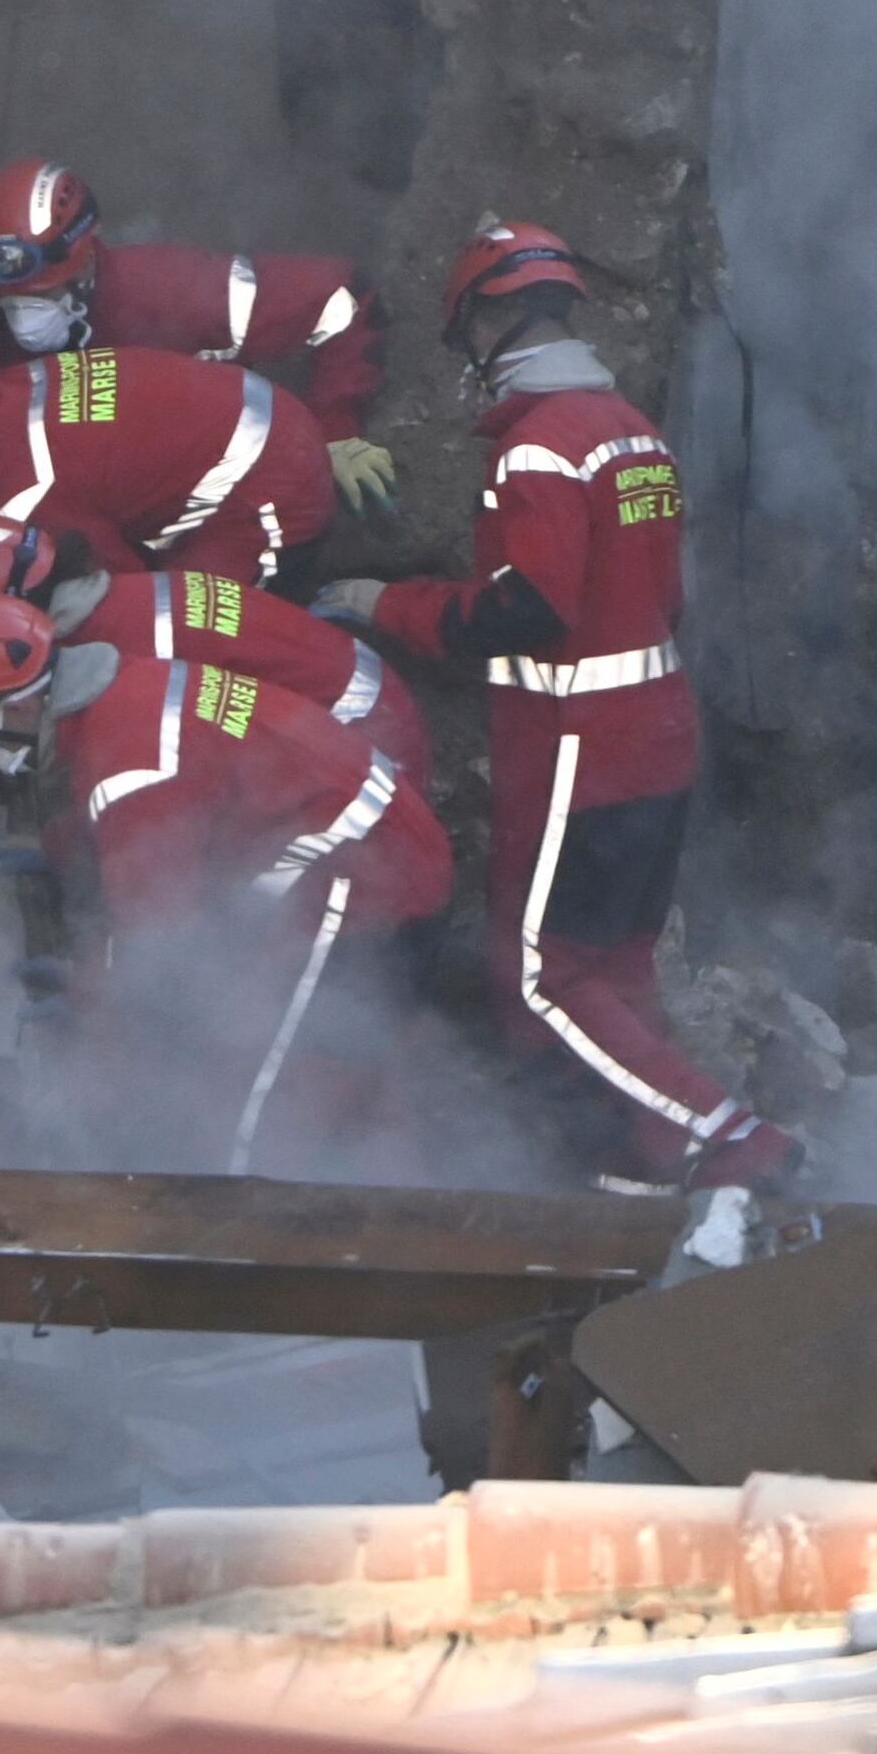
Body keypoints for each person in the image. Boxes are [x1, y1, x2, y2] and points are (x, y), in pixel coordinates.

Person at [319, 219, 793, 1191]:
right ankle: (634, 1153)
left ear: (480, 328)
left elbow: (521, 610)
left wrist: (381, 604)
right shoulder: (635, 438)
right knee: (613, 965)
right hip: (656, 734)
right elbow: (662, 594)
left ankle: (731, 1140)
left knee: (544, 973)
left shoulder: (538, 451)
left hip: (583, 748)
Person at [0, 592, 446, 1173]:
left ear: (12, 708)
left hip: (362, 879)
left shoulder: (132, 762)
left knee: (265, 1097)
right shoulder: (126, 691)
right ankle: (410, 1193)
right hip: (359, 849)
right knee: (338, 1063)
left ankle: (251, 1240)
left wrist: (91, 1012)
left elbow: (158, 943)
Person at [0, 157, 396, 513]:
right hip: (94, 515)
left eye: (43, 293)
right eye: (6, 296)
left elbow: (339, 296)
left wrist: (335, 429)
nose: (23, 315)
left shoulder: (169, 293)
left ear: (83, 262)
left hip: (217, 495)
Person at [0, 345, 338, 587]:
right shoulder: (0, 399)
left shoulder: (20, 493)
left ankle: (332, 630)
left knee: (173, 639)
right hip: (271, 424)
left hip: (271, 494)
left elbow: (120, 594)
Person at [0, 513, 426, 767]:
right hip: (361, 711)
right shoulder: (114, 604)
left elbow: (175, 780)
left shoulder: (122, 642)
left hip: (367, 746)